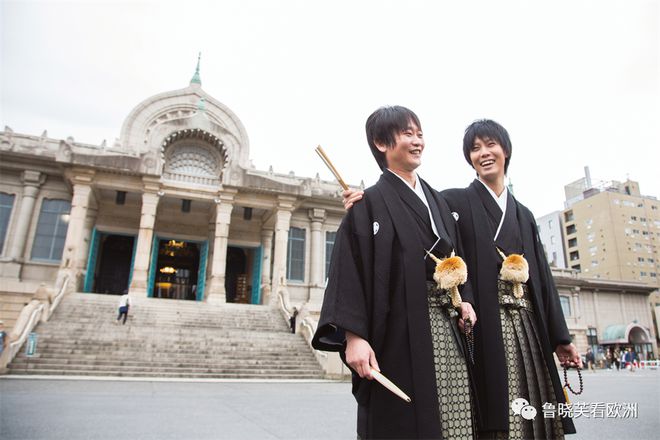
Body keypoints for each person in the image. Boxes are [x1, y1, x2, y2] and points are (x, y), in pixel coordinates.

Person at [344, 119, 581, 438]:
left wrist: (560, 338)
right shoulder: (452, 202)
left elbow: (543, 281)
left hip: (526, 325)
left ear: (506, 150)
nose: (483, 153)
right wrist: (365, 206)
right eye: (474, 148)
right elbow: (409, 214)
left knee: (535, 405)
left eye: (490, 145)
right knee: (489, 409)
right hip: (484, 328)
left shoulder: (523, 214)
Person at [312, 105, 477, 439]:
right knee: (400, 423)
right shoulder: (366, 205)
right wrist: (354, 337)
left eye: (419, 134)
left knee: (455, 416)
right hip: (396, 335)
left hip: (446, 330)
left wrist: (466, 300)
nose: (417, 141)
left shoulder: (439, 203)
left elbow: (455, 258)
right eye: (407, 134)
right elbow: (349, 273)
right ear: (381, 143)